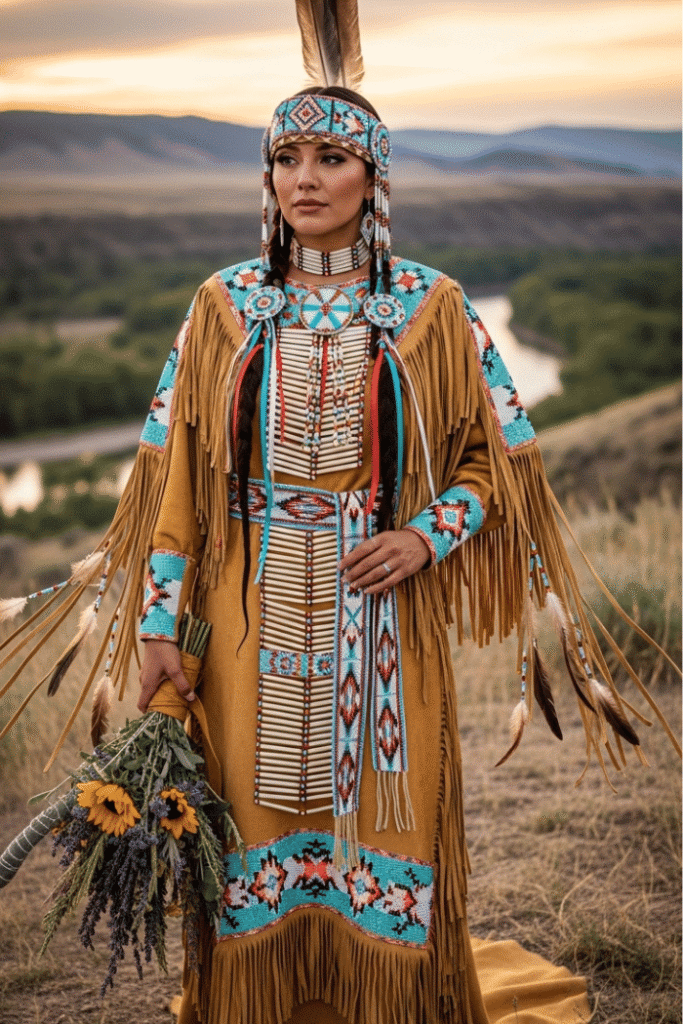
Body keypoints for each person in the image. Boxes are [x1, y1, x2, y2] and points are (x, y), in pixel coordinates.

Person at [129, 83, 624, 1024]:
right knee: (252, 822)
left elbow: (496, 465)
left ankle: (390, 1000)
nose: (304, 181)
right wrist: (160, 626)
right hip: (246, 618)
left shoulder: (430, 307)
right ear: (266, 175)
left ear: (374, 177)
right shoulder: (223, 304)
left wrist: (422, 534)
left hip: (384, 624)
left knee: (387, 817)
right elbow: (179, 483)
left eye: (331, 159)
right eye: (285, 160)